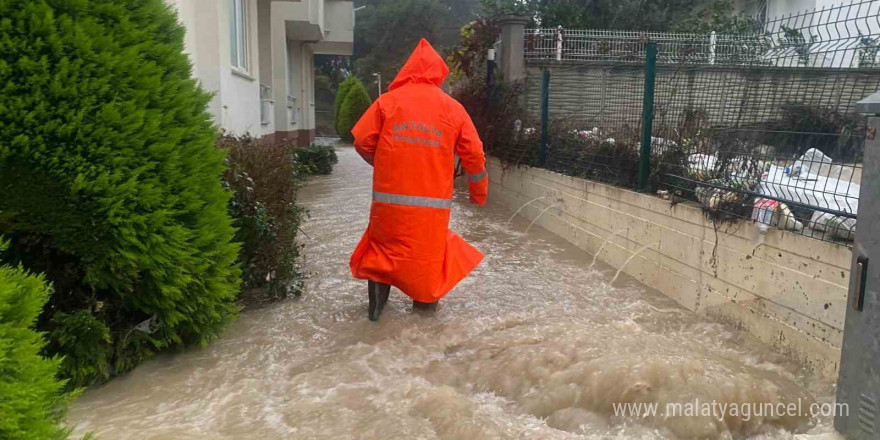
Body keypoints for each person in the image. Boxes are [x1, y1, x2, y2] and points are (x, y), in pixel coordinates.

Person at [349, 38, 488, 322]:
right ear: (438, 74)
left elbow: (362, 140)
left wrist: (383, 163)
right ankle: (422, 331)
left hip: (388, 205)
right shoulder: (452, 109)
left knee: (381, 255)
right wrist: (479, 193)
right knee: (427, 261)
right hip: (431, 210)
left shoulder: (386, 102)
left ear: (407, 70)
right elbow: (474, 154)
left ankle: (374, 316)